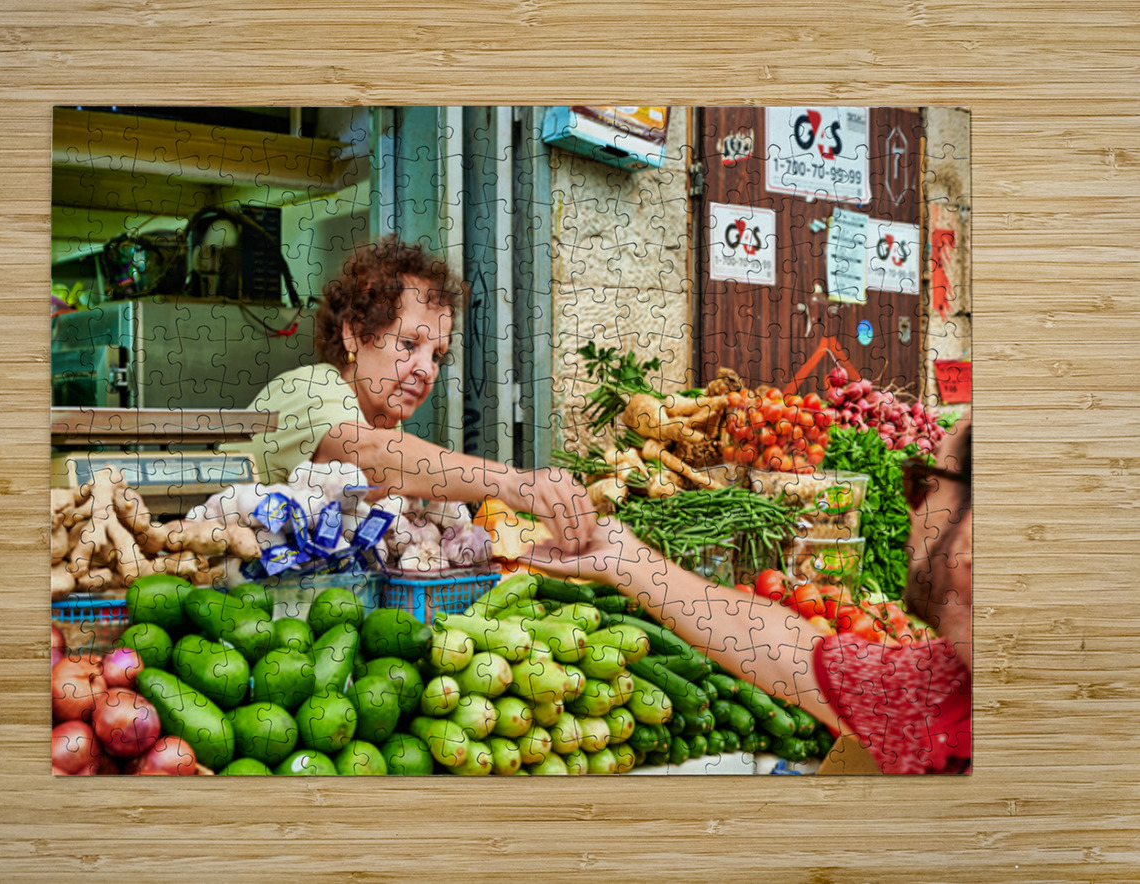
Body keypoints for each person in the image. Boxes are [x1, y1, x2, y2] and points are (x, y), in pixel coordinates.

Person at [534, 418, 973, 775]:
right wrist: (625, 558)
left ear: (972, 536)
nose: (912, 511)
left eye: (921, 485)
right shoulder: (935, 685)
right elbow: (791, 650)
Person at [227, 235, 602, 554]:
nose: (427, 370)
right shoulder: (311, 387)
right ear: (354, 332)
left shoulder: (390, 433)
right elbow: (370, 456)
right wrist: (510, 482)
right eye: (409, 344)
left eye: (437, 354)